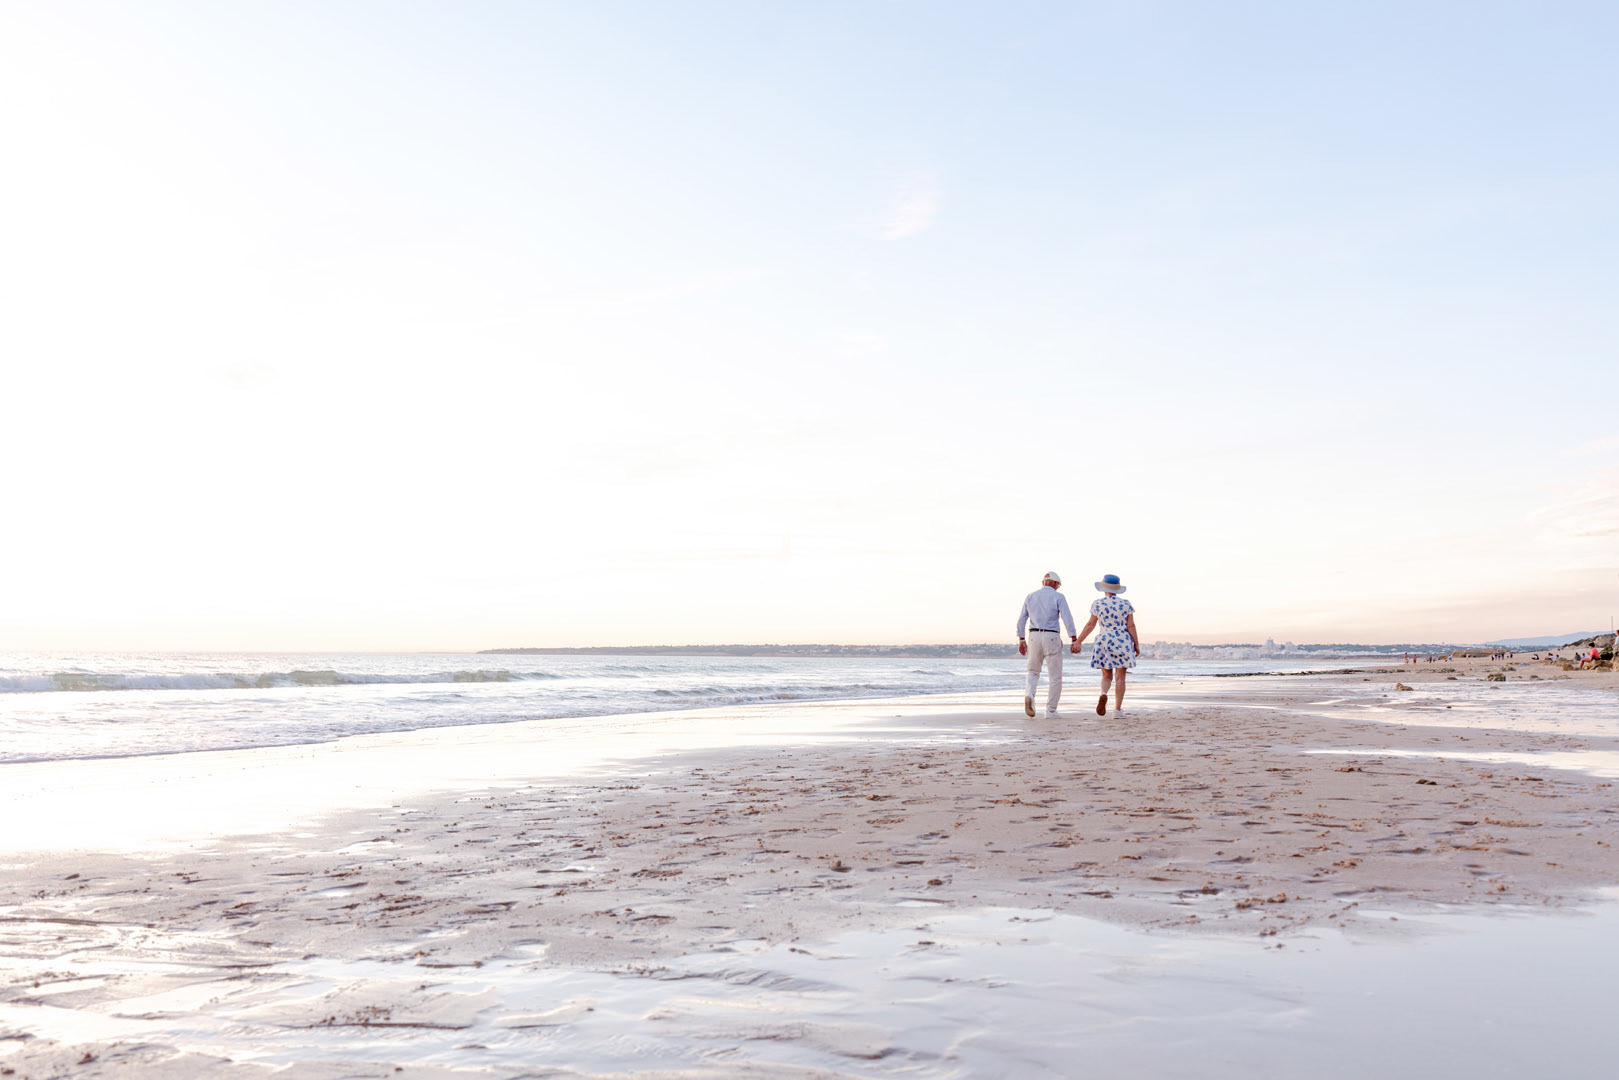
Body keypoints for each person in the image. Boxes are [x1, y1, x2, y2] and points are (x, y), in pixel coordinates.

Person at [1074, 573, 1139, 716]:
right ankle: (1117, 710)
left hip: (1104, 639)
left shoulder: (1098, 603)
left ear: (1104, 588)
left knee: (1106, 675)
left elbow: (1090, 625)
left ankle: (1103, 693)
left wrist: (1079, 641)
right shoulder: (1126, 604)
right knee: (1120, 677)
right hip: (1123, 639)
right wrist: (1136, 644)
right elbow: (1131, 626)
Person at [1016, 571, 1079, 718]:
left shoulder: (1030, 596)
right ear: (1056, 584)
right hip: (1051, 636)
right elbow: (1066, 617)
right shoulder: (1058, 597)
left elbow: (1021, 620)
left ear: (1043, 582)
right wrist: (1073, 638)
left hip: (1033, 636)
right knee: (1055, 677)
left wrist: (1021, 639)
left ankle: (1030, 694)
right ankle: (1051, 711)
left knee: (1032, 671)